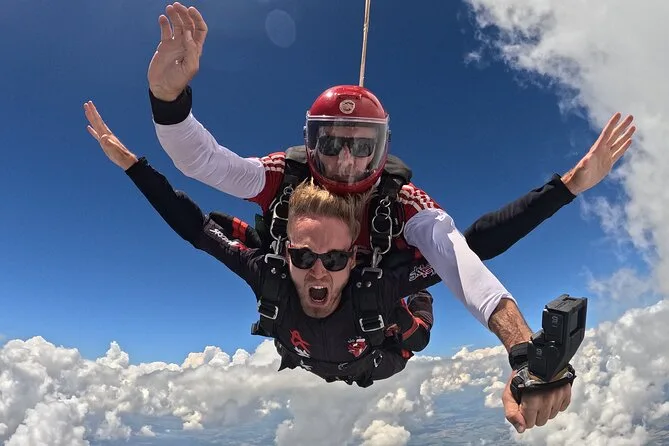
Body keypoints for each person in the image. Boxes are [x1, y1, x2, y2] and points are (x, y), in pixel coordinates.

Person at [84, 100, 577, 433]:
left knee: (421, 297)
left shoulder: (384, 264)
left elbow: (464, 255)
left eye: (361, 146)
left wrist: (524, 355)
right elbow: (198, 198)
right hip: (313, 347)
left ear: (356, 258)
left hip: (378, 351)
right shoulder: (272, 248)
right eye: (302, 257)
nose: (344, 160)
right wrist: (162, 117)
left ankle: (409, 303)